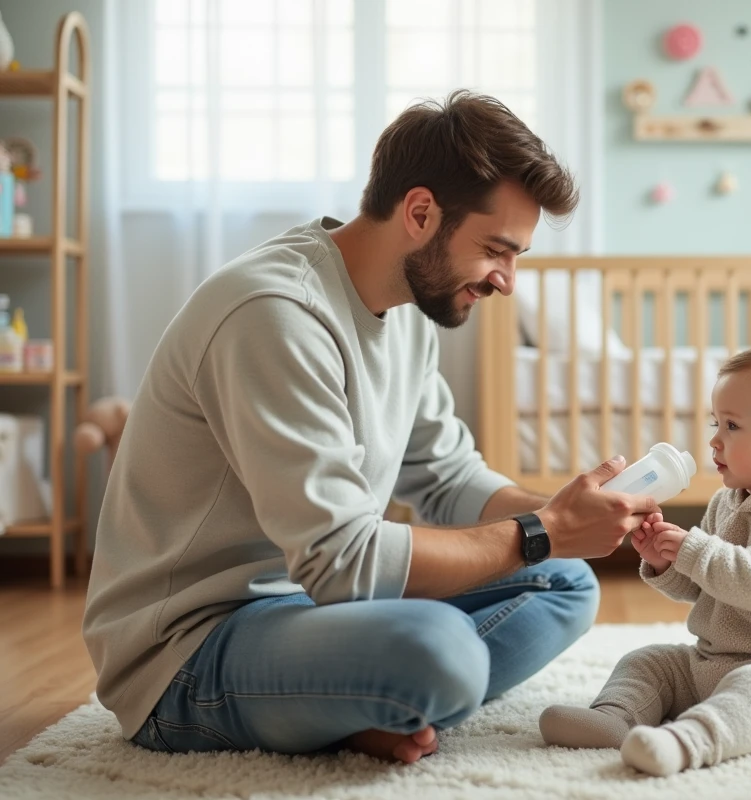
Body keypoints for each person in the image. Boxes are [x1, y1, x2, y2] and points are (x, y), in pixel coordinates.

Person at [82, 90, 659, 763]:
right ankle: (373, 693)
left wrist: (568, 517)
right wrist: (543, 532)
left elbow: (449, 477)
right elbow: (342, 561)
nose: (506, 281)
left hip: (309, 613)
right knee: (441, 652)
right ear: (420, 213)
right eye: (497, 250)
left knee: (564, 579)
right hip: (190, 648)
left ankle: (359, 702)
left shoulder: (407, 313)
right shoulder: (275, 313)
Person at [539, 341, 751, 776]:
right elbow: (706, 586)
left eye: (732, 426)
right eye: (716, 423)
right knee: (649, 661)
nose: (714, 440)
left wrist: (694, 551)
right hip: (715, 661)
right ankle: (614, 719)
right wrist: (665, 560)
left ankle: (686, 742)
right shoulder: (729, 503)